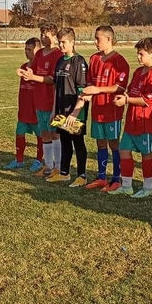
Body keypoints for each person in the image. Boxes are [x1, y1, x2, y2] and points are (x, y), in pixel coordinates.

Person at [112, 37, 152, 198]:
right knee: (124, 150)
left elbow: (147, 101)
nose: (138, 57)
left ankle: (148, 188)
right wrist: (123, 96)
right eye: (138, 53)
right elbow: (131, 91)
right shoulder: (138, 72)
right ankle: (127, 185)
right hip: (132, 120)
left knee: (146, 153)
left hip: (146, 122)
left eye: (141, 54)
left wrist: (126, 100)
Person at [83, 25, 130, 192]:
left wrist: (98, 89)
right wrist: (88, 93)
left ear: (109, 39)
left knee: (114, 144)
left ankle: (116, 179)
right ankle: (102, 177)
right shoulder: (94, 59)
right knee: (100, 143)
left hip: (112, 110)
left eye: (98, 39)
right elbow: (90, 82)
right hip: (97, 110)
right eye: (95, 38)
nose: (95, 42)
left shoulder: (120, 61)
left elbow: (120, 87)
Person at [18, 24, 63, 176]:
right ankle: (48, 166)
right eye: (41, 35)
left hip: (51, 102)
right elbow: (34, 71)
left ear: (55, 36)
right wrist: (26, 72)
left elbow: (53, 79)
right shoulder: (40, 54)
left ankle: (58, 166)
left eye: (46, 35)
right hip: (39, 100)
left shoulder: (58, 54)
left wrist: (32, 77)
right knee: (44, 134)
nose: (43, 38)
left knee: (55, 134)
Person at [47, 28, 89, 186]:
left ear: (72, 42)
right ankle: (64, 173)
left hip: (75, 112)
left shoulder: (79, 62)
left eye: (64, 42)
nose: (61, 45)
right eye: (59, 42)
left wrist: (75, 112)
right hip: (60, 110)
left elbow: (82, 90)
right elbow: (56, 88)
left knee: (78, 142)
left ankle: (82, 175)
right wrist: (53, 110)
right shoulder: (60, 60)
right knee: (64, 141)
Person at [6, 38, 44, 172]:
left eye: (29, 49)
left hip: (37, 110)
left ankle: (39, 160)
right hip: (24, 109)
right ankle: (19, 160)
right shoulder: (23, 67)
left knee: (41, 136)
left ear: (38, 50)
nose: (26, 52)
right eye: (25, 49)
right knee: (19, 133)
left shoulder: (40, 69)